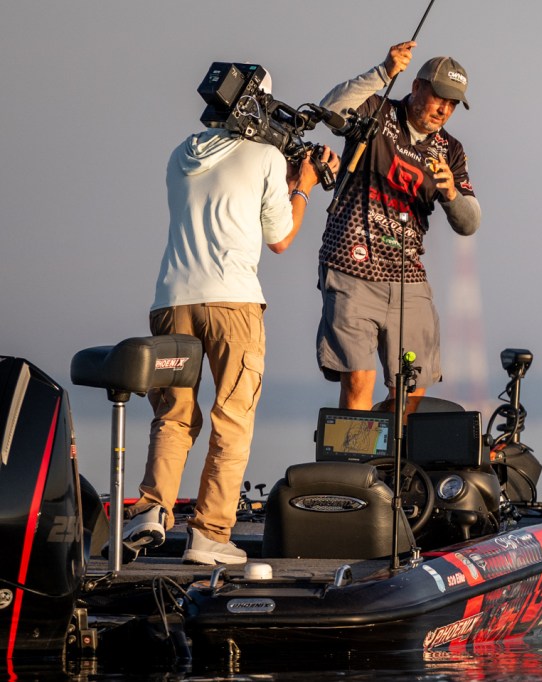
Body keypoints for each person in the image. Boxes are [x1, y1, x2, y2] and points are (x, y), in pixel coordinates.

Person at [106, 72, 341, 566]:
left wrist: (283, 173)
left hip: (171, 301)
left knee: (173, 414)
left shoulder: (180, 154)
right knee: (232, 418)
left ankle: (151, 510)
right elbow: (280, 239)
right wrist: (303, 186)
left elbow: (227, 194)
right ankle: (209, 535)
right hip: (233, 302)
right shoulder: (266, 157)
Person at [316, 41, 480, 410]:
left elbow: (469, 222)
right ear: (417, 86)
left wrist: (451, 194)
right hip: (351, 265)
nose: (444, 109)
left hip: (408, 274)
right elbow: (330, 110)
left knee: (413, 388)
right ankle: (357, 449)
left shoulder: (451, 150)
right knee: (359, 379)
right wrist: (383, 72)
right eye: (440, 98)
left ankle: (387, 446)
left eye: (453, 104)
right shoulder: (377, 111)